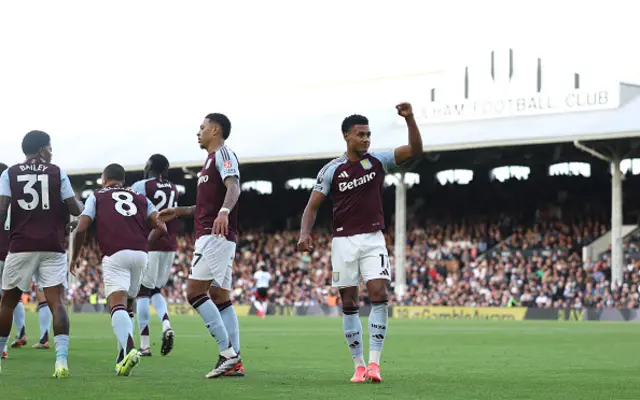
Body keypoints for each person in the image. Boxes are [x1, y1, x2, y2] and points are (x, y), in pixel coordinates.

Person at [297, 103, 423, 383]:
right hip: (342, 242)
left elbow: (415, 150)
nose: (366, 139)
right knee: (349, 301)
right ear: (346, 136)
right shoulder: (331, 170)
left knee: (379, 293)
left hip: (372, 239)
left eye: (368, 134)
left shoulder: (379, 160)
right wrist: (304, 233)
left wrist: (410, 119)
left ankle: (375, 364)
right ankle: (359, 366)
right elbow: (312, 206)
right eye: (360, 134)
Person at [159, 113, 243, 378]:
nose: (198, 132)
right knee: (220, 297)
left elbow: (234, 187)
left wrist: (225, 212)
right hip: (215, 231)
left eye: (202, 127)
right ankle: (235, 360)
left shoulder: (224, 155)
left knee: (194, 292)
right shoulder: (208, 163)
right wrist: (180, 211)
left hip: (214, 234)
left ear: (215, 130)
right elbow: (205, 207)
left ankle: (227, 354)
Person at [0, 130, 84, 377]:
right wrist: (75, 210)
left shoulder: (9, 173)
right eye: (49, 148)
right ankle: (61, 361)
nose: (51, 152)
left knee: (7, 302)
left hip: (21, 245)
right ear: (40, 151)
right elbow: (74, 207)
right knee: (57, 302)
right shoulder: (57, 171)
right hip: (52, 245)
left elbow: (2, 209)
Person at [70, 163, 166, 376]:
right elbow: (162, 226)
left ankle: (130, 348)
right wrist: (144, 245)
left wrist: (74, 257)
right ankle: (121, 357)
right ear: (122, 180)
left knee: (116, 305)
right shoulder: (141, 197)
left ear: (104, 179)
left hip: (115, 253)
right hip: (141, 254)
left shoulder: (97, 195)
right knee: (127, 305)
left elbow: (81, 228)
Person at [131, 154, 178, 357]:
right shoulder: (174, 187)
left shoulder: (142, 185)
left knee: (142, 292)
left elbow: (133, 210)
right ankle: (166, 323)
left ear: (149, 167)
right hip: (170, 243)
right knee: (156, 289)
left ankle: (145, 344)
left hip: (150, 241)